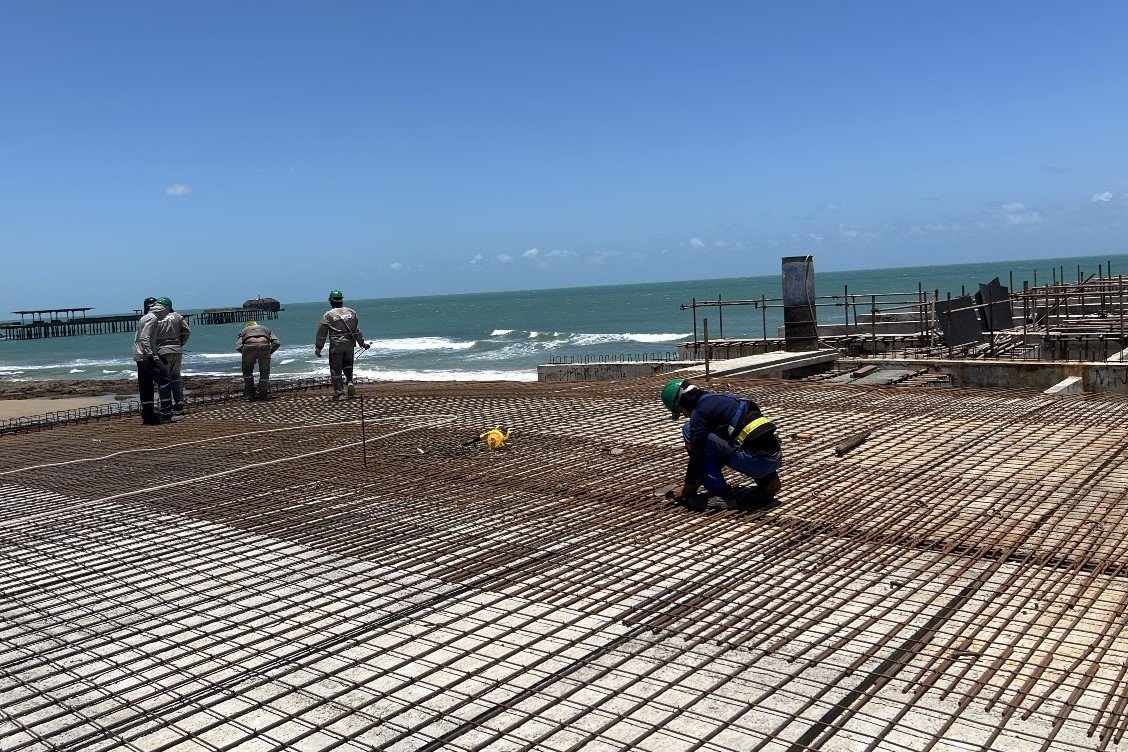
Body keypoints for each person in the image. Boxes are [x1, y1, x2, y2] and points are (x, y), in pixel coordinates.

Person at [661, 378, 782, 507]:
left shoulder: (699, 413)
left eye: (681, 411)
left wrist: (686, 490)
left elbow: (698, 458)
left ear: (681, 403)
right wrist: (694, 484)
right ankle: (768, 480)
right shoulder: (719, 399)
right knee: (734, 440)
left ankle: (720, 494)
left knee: (689, 432)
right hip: (775, 457)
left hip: (755, 463)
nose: (685, 415)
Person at [315, 289, 369, 400]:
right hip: (349, 343)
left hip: (337, 345)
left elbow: (322, 333)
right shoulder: (351, 312)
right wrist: (362, 343)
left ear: (331, 301)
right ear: (341, 300)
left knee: (336, 369)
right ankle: (349, 381)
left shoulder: (328, 315)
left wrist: (319, 347)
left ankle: (339, 393)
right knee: (348, 364)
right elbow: (356, 330)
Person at [134, 297, 176, 425]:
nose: (167, 315)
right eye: (167, 312)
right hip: (147, 357)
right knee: (165, 380)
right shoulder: (152, 319)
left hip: (140, 357)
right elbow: (145, 338)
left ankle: (148, 415)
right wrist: (152, 355)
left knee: (146, 385)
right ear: (163, 308)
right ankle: (166, 414)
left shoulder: (145, 317)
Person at [153, 296, 191, 411]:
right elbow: (187, 331)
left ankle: (166, 404)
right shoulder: (178, 316)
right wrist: (180, 343)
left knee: (163, 378)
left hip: (162, 351)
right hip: (177, 350)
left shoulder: (156, 318)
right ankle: (179, 400)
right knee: (176, 376)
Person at [235, 320, 281, 401]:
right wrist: (269, 352)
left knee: (247, 371)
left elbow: (238, 346)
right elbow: (277, 343)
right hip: (264, 345)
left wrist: (246, 353)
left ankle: (250, 394)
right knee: (264, 371)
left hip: (248, 346)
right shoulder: (266, 329)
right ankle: (263, 394)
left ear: (248, 326)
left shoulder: (244, 331)